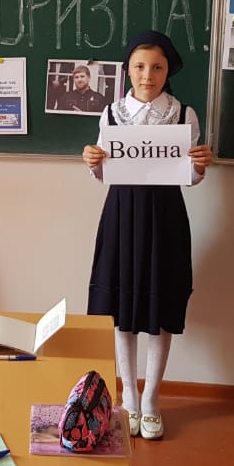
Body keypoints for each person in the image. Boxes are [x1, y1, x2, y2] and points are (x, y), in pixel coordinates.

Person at [82, 31, 213, 441]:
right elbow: (103, 173)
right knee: (122, 310)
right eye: (139, 66)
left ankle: (152, 399)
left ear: (167, 70)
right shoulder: (111, 113)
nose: (147, 75)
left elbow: (189, 178)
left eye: (157, 67)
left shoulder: (183, 113)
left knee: (159, 310)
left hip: (165, 215)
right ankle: (129, 399)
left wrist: (199, 166)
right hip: (122, 214)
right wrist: (92, 160)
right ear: (127, 70)